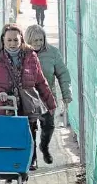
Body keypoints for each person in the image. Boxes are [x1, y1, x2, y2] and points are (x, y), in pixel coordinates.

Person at [0, 23, 56, 179]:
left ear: (21, 39)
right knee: (7, 137)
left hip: (27, 104)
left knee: (29, 134)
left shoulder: (30, 55)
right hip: (3, 106)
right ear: (3, 40)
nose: (12, 44)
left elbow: (40, 81)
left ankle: (27, 163)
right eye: (9, 40)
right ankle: (8, 170)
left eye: (15, 40)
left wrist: (50, 103)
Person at [25, 24, 72, 164]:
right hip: (29, 98)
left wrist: (66, 94)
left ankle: (44, 147)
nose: (38, 43)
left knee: (49, 126)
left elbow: (63, 74)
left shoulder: (53, 53)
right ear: (28, 40)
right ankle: (32, 158)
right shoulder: (24, 53)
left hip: (47, 96)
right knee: (30, 128)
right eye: (35, 40)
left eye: (41, 40)